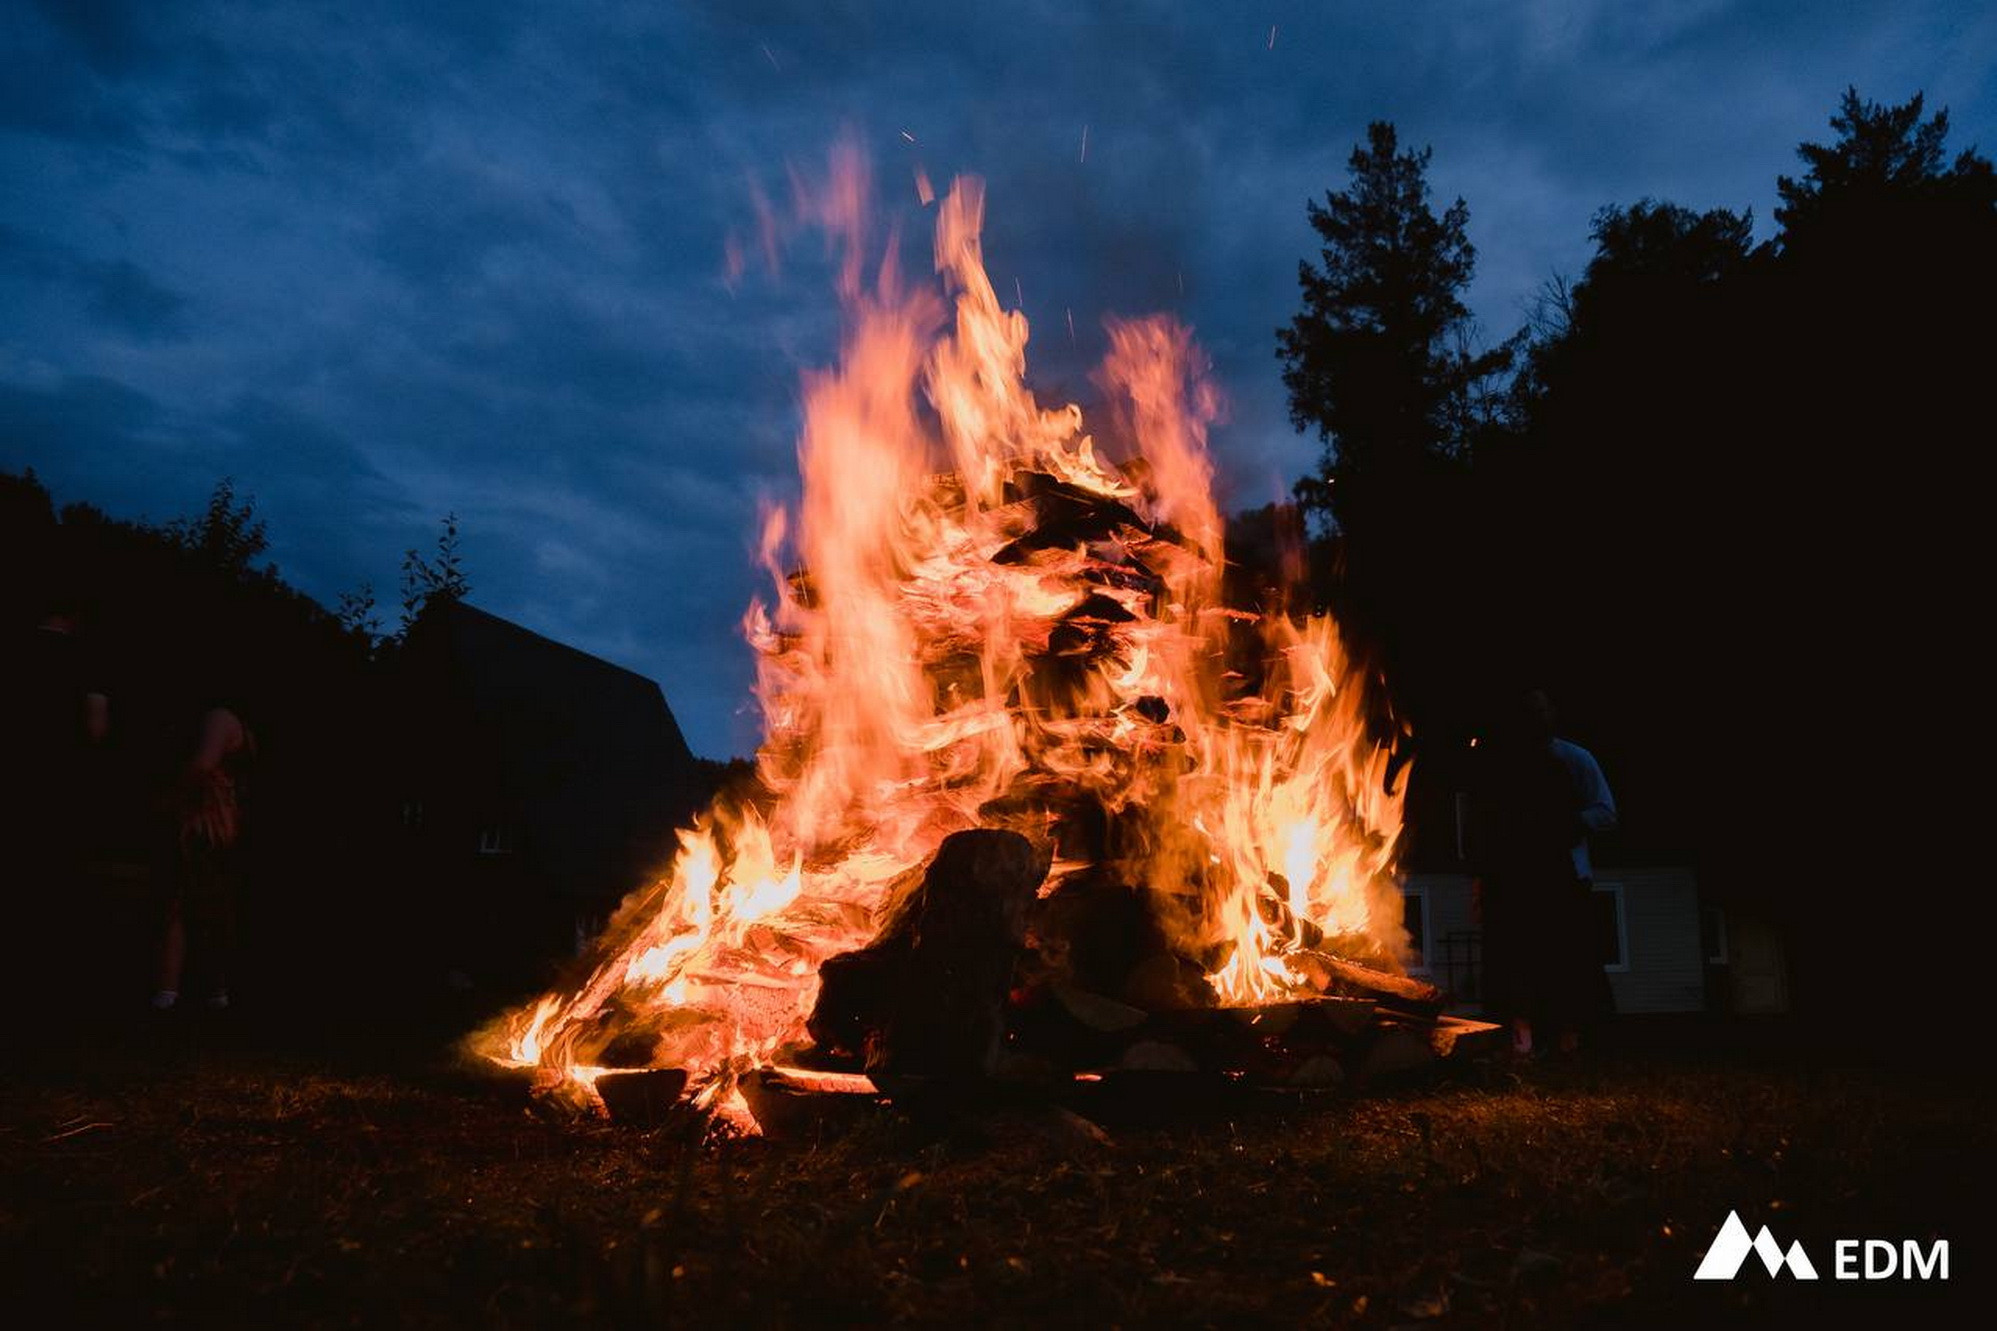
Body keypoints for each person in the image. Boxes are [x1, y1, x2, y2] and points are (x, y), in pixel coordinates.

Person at [1471, 687, 1616, 1057]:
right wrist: (1483, 881)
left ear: (1551, 714)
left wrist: (1569, 824)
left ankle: (1571, 1042)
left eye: (1540, 711)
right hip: (1515, 880)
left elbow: (1605, 812)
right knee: (1517, 963)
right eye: (1526, 713)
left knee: (1568, 961)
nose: (1534, 720)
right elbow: (1488, 828)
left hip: (1564, 877)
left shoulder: (1575, 759)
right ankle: (1523, 1041)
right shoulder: (1503, 765)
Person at [152, 699, 255, 1014]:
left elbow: (202, 765)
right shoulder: (228, 723)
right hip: (212, 823)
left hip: (207, 823)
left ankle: (179, 990)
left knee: (188, 904)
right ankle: (208, 990)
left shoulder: (218, 718)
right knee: (205, 904)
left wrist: (168, 798)